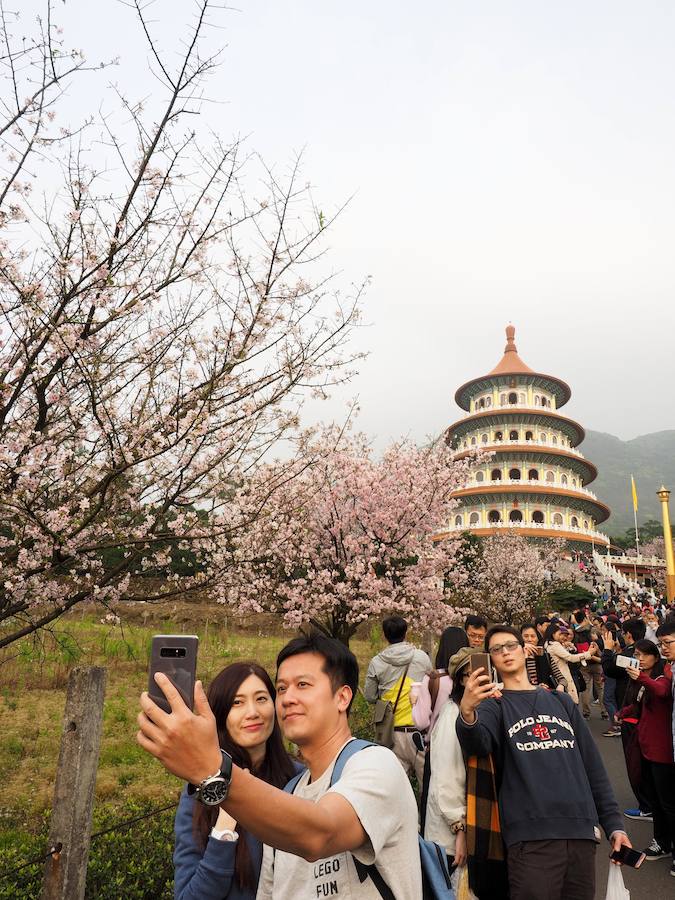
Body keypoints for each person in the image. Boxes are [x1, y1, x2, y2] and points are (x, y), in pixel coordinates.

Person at [138, 630, 423, 899]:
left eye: (303, 685)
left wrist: (212, 771)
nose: (288, 698)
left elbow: (320, 834)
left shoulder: (375, 764)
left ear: (342, 697)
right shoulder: (291, 792)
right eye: (282, 688)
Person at [455, 624, 631, 900]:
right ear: (491, 660)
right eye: (496, 649)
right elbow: (477, 743)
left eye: (510, 645)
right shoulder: (494, 706)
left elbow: (592, 767)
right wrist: (467, 711)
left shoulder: (560, 701)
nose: (505, 652)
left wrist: (615, 825)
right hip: (530, 837)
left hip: (581, 832)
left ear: (525, 650)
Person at [174, 662, 298, 900]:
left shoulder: (300, 780)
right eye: (237, 703)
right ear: (220, 716)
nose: (252, 712)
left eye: (261, 699)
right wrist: (226, 823)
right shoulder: (200, 791)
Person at [617, 638, 675, 873]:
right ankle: (661, 843)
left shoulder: (665, 676)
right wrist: (622, 712)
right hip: (647, 749)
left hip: (664, 752)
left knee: (669, 804)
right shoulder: (643, 681)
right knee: (657, 803)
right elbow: (639, 706)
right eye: (636, 655)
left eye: (643, 655)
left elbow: (661, 691)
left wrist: (640, 677)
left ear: (655, 657)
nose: (639, 659)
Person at [423, 648, 478, 873]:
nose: (478, 680)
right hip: (449, 834)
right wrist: (460, 828)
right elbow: (446, 777)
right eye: (470, 675)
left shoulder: (476, 713)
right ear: (460, 681)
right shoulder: (452, 715)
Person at [364, 615, 431, 784]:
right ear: (405, 633)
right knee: (427, 790)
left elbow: (370, 696)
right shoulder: (421, 657)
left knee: (395, 789)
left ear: (385, 636)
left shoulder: (376, 662)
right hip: (420, 734)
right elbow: (432, 685)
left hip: (391, 735)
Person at [602, 618, 652, 820]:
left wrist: (607, 650)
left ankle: (646, 806)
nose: (639, 660)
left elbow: (609, 668)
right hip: (635, 713)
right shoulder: (639, 654)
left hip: (634, 718)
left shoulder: (629, 656)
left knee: (636, 764)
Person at [543, 622, 597, 705]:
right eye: (559, 634)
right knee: (570, 703)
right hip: (562, 676)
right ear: (553, 634)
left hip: (557, 676)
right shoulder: (554, 645)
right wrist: (588, 653)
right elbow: (570, 658)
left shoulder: (547, 644)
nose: (562, 636)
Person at [519, 623, 566, 690]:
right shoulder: (515, 658)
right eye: (526, 636)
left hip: (544, 697)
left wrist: (561, 686)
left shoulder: (545, 656)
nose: (529, 639)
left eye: (533, 636)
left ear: (538, 638)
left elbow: (562, 679)